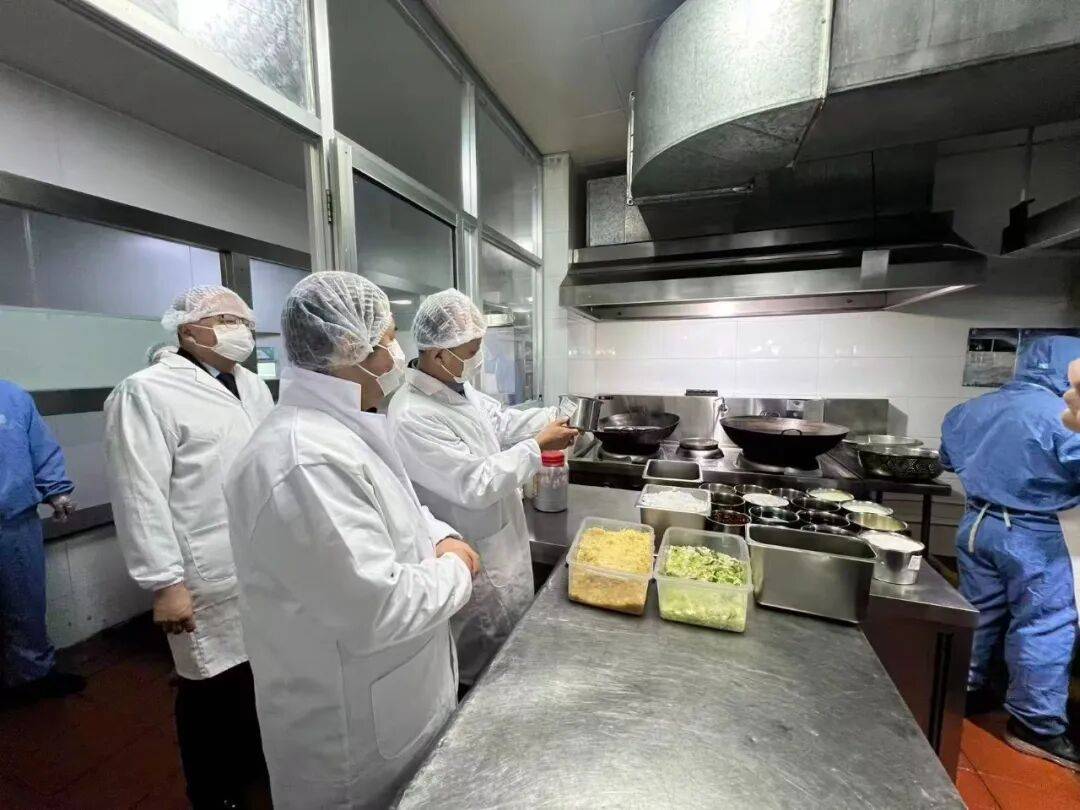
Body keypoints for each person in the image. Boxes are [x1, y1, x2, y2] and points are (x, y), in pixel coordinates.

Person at [224, 271, 478, 810]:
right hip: (351, 737)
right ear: (348, 346)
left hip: (398, 699)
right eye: (388, 338)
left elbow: (400, 510)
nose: (397, 353)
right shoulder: (301, 459)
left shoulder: (346, 427)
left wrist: (441, 535)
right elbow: (377, 610)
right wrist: (458, 567)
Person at [103, 285, 274, 808]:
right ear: (187, 329)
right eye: (224, 320)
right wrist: (165, 583)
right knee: (208, 687)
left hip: (260, 561)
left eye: (244, 322)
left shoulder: (253, 386)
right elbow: (139, 493)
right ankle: (213, 794)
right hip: (201, 573)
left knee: (258, 677)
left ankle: (254, 775)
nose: (240, 331)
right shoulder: (146, 392)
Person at [387, 288, 577, 687]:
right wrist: (537, 447)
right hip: (473, 551)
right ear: (439, 354)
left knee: (511, 650)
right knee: (483, 670)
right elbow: (475, 483)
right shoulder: (411, 415)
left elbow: (501, 422)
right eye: (472, 350)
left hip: (503, 543)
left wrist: (556, 417)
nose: (479, 358)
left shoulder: (457, 389)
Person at [940, 334, 1080, 771]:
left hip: (976, 527)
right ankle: (1035, 724)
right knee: (1044, 623)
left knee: (977, 612)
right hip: (1036, 535)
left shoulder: (970, 410)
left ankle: (963, 690)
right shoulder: (1063, 417)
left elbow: (947, 459)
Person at [0, 380, 83, 702]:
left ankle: (32, 675)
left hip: (14, 521)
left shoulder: (11, 397)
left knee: (25, 605)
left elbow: (40, 448)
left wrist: (56, 490)